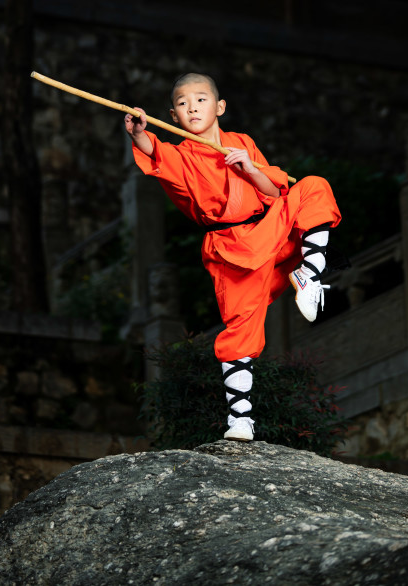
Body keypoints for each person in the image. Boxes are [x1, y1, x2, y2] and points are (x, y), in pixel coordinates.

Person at [125, 72, 341, 442]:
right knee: (241, 327)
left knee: (313, 188)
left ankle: (310, 273)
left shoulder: (241, 142)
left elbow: (275, 190)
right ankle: (241, 420)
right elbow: (155, 153)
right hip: (232, 249)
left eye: (201, 98)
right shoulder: (181, 157)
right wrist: (140, 134)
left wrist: (251, 169)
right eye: (182, 103)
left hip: (270, 227)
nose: (192, 106)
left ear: (220, 106)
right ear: (173, 116)